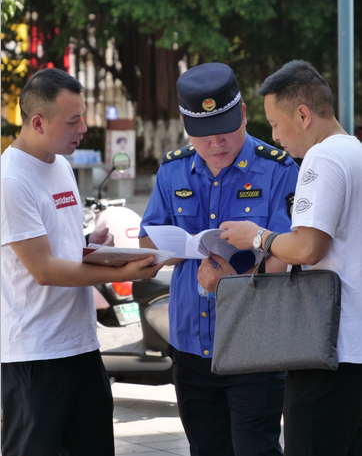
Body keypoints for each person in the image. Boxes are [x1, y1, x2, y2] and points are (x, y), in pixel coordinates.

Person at [139, 62, 299, 456]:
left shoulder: (278, 169)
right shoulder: (173, 168)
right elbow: (148, 239)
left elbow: (295, 254)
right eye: (203, 136)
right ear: (184, 124)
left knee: (254, 449)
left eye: (225, 132)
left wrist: (235, 282)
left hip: (255, 343)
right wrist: (177, 249)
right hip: (191, 344)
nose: (216, 145)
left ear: (243, 113)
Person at [1, 68, 163, 456]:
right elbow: (44, 270)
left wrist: (94, 246)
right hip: (36, 354)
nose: (84, 127)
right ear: (37, 122)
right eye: (73, 120)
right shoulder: (11, 179)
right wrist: (122, 271)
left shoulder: (60, 165)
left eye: (84, 115)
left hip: (81, 345)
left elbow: (62, 248)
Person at [220, 60, 362, 456]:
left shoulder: (323, 159)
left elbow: (306, 248)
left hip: (329, 346)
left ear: (303, 115)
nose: (274, 136)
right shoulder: (355, 151)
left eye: (276, 123)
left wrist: (257, 236)